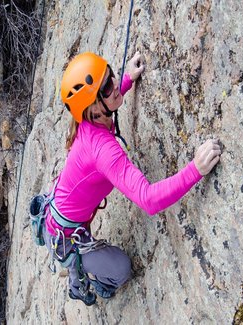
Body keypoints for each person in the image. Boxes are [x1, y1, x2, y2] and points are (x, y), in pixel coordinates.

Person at [42, 51, 221, 306]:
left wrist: (127, 79)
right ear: (92, 108)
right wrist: (195, 169)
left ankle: (79, 261)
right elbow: (148, 200)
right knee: (121, 270)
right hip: (66, 236)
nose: (114, 84)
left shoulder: (92, 119)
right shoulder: (102, 149)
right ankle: (86, 278)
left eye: (111, 75)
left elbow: (107, 98)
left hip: (66, 218)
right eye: (107, 87)